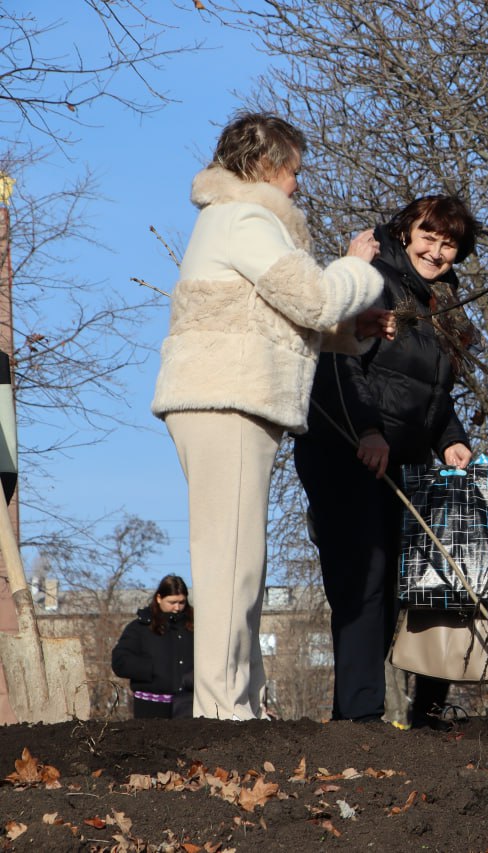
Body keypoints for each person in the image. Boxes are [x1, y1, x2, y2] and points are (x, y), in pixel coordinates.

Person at [151, 111, 393, 720]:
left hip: (225, 396)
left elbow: (272, 315)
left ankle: (242, 704)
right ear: (266, 165)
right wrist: (357, 264)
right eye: (294, 171)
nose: (298, 184)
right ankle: (223, 711)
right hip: (225, 398)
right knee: (230, 561)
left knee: (240, 560)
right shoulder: (245, 217)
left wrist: (352, 331)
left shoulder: (231, 219)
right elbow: (314, 297)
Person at [293, 195, 479, 725]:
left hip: (399, 460)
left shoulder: (440, 301)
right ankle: (358, 718)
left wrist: (450, 438)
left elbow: (429, 390)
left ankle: (364, 714)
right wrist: (368, 429)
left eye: (449, 244)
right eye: (428, 237)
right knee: (363, 579)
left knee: (398, 585)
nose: (437, 252)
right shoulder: (371, 278)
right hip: (346, 450)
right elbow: (336, 361)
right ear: (404, 233)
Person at [111, 576, 195, 719]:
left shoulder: (194, 627)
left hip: (187, 706)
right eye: (172, 602)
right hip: (150, 708)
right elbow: (120, 661)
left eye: (181, 602)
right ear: (159, 598)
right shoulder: (140, 627)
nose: (177, 608)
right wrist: (152, 669)